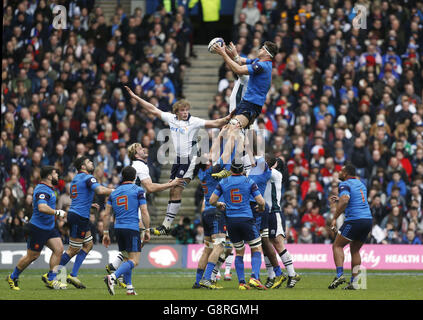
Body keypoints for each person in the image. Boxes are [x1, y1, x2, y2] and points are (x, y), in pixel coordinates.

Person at [124, 85, 231, 235]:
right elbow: (152, 109)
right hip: (178, 160)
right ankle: (166, 225)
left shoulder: (193, 121)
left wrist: (228, 118)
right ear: (176, 112)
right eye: (182, 110)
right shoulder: (171, 119)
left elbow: (214, 123)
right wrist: (135, 97)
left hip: (190, 158)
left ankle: (167, 225)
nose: (185, 112)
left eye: (187, 109)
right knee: (173, 190)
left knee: (177, 187)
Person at [105, 142, 184, 283]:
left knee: (138, 243)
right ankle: (117, 272)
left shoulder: (136, 166)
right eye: (140, 148)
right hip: (135, 209)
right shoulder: (140, 166)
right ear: (136, 155)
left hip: (128, 208)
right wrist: (171, 184)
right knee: (138, 243)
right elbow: (150, 187)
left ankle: (116, 267)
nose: (143, 149)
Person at [212, 40, 277, 165]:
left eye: (262, 48)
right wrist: (234, 54)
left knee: (233, 130)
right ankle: (251, 161)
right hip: (248, 103)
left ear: (267, 54)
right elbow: (240, 61)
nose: (260, 49)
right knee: (235, 131)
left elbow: (239, 69)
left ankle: (224, 164)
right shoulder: (259, 62)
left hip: (251, 104)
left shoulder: (261, 67)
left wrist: (223, 54)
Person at [6, 166, 67, 290]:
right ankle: (13, 277)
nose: (57, 177)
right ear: (49, 176)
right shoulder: (42, 190)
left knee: (59, 249)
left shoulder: (49, 189)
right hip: (37, 228)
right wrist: (57, 212)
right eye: (55, 174)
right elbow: (42, 207)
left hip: (49, 228)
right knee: (32, 256)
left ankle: (51, 279)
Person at [209, 158, 267, 290]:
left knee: (239, 252)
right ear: (242, 170)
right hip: (246, 218)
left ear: (231, 170)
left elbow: (212, 200)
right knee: (257, 248)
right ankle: (254, 277)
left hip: (231, 220)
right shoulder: (249, 181)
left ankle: (241, 283)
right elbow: (261, 201)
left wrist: (219, 204)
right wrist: (262, 208)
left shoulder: (224, 181)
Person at [58, 156, 114, 289]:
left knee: (88, 244)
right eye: (89, 162)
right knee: (73, 249)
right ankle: (50, 275)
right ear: (83, 166)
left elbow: (75, 197)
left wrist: (89, 203)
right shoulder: (89, 178)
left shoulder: (75, 179)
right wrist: (115, 190)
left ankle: (73, 274)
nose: (91, 163)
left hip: (78, 214)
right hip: (79, 216)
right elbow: (100, 190)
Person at [103, 166, 150, 295]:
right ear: (135, 177)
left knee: (126, 258)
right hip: (132, 228)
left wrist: (106, 232)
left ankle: (129, 288)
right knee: (134, 260)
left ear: (122, 177)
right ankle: (112, 277)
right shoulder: (139, 190)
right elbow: (144, 211)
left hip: (118, 228)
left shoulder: (114, 192)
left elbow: (106, 214)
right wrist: (147, 230)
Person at [328, 163, 373, 290]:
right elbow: (354, 199)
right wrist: (340, 199)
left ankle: (339, 275)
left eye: (341, 171)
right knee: (355, 250)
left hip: (355, 220)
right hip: (367, 220)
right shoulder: (361, 183)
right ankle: (354, 282)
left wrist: (335, 218)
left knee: (337, 245)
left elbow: (346, 200)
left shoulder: (344, 184)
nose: (339, 173)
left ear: (346, 173)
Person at [264, 157, 301, 288]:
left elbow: (261, 166)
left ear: (275, 165)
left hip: (274, 213)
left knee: (278, 244)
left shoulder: (275, 174)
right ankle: (271, 276)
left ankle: (292, 274)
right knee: (265, 246)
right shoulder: (267, 174)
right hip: (264, 213)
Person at [193, 156, 227, 290]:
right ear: (207, 164)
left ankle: (197, 281)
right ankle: (207, 279)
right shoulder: (210, 172)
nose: (212, 161)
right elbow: (224, 159)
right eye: (209, 160)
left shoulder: (201, 174)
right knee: (219, 246)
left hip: (206, 213)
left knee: (207, 249)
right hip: (216, 213)